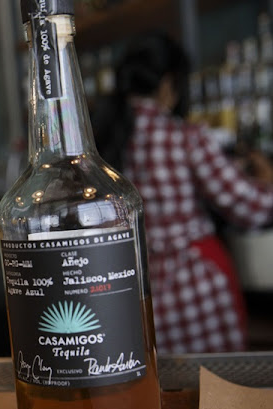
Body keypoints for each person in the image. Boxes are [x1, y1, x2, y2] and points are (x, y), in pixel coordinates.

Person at [92, 33, 273, 354]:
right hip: (196, 290)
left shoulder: (99, 139)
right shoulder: (184, 137)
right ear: (168, 83)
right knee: (218, 390)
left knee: (158, 391)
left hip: (130, 293)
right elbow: (252, 207)